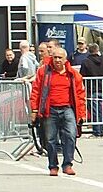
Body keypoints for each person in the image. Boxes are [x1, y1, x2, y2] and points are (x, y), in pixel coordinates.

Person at [29, 48, 87, 176]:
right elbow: (36, 91)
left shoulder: (72, 74)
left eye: (60, 58)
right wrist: (34, 111)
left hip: (68, 109)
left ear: (65, 59)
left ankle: (67, 164)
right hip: (49, 110)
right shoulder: (43, 72)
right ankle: (53, 166)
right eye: (55, 57)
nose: (57, 60)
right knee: (50, 139)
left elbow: (80, 94)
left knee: (71, 135)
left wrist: (82, 114)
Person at [80, 43, 103, 138]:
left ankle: (97, 131)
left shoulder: (86, 62)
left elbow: (82, 75)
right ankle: (100, 129)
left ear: (89, 50)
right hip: (101, 88)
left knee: (94, 111)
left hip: (91, 89)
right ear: (97, 50)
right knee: (100, 110)